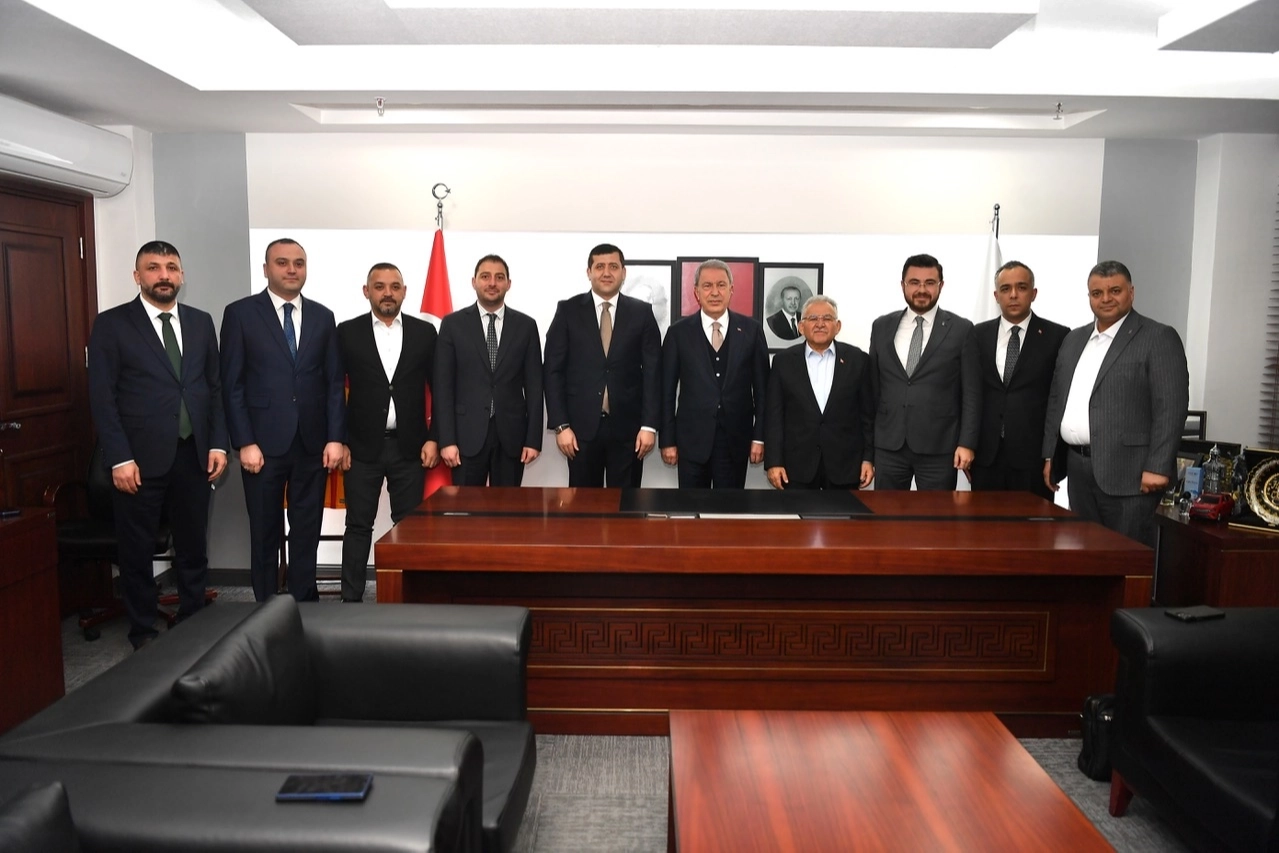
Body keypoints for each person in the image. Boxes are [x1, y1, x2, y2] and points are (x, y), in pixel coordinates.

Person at [87, 241, 228, 649]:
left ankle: (192, 620)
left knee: (193, 546)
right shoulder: (112, 324)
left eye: (171, 267)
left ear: (181, 275)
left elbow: (213, 388)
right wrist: (119, 457)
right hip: (138, 459)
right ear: (137, 276)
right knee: (136, 551)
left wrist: (218, 444)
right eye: (153, 267)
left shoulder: (200, 322)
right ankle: (144, 632)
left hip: (194, 455)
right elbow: (102, 397)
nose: (163, 275)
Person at [220, 238, 345, 602]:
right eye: (282, 262)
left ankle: (304, 599)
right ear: (266, 269)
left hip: (312, 443)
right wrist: (244, 441)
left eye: (299, 263)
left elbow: (333, 382)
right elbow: (232, 384)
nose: (292, 269)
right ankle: (265, 605)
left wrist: (335, 437)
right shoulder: (240, 314)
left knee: (307, 528)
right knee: (264, 530)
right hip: (261, 445)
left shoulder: (323, 316)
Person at [1042, 260, 1189, 546]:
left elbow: (1171, 407)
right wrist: (1050, 455)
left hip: (1130, 475)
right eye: (1097, 293)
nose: (1106, 299)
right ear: (1089, 297)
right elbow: (1057, 399)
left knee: (1126, 556)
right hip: (1078, 470)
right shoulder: (1074, 339)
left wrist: (1158, 466)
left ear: (1131, 293)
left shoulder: (1158, 337)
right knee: (1085, 553)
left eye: (1115, 291)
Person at [336, 262, 439, 602]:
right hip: (361, 448)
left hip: (409, 447)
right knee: (358, 525)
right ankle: (350, 599)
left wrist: (434, 437)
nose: (387, 293)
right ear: (367, 291)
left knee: (408, 526)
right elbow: (334, 390)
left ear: (404, 292)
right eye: (379, 286)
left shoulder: (425, 333)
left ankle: (407, 598)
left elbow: (440, 389)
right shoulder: (347, 332)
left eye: (395, 286)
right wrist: (340, 440)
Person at [543, 243, 661, 486]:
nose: (606, 273)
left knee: (627, 503)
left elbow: (653, 373)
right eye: (599, 267)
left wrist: (649, 426)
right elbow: (552, 371)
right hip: (579, 431)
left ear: (623, 272)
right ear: (589, 272)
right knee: (584, 505)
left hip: (629, 431)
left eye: (613, 267)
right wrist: (561, 426)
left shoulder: (642, 313)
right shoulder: (568, 311)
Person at [868, 253, 980, 490]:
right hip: (889, 445)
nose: (922, 289)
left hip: (939, 446)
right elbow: (874, 389)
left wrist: (967, 442)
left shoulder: (961, 329)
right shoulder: (881, 326)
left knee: (936, 513)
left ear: (941, 285)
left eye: (929, 283)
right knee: (886, 512)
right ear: (903, 285)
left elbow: (971, 393)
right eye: (914, 282)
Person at [434, 254, 543, 487]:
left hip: (511, 437)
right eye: (485, 277)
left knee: (507, 508)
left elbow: (535, 386)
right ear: (474, 282)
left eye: (499, 277)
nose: (492, 283)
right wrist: (447, 440)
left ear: (508, 284)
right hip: (465, 437)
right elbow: (443, 387)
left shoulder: (526, 326)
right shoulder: (453, 324)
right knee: (465, 508)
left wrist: (533, 439)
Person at [659, 259, 768, 488]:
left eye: (721, 285)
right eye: (707, 286)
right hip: (691, 442)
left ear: (731, 289)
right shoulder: (678, 333)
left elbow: (762, 391)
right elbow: (665, 391)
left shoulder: (751, 331)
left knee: (730, 509)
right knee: (691, 507)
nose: (715, 292)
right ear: (696, 292)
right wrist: (667, 440)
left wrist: (759, 436)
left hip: (736, 442)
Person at [971, 261, 1069, 500]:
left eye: (1021, 287)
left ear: (1033, 293)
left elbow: (1059, 401)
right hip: (986, 456)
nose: (1013, 295)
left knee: (1033, 524)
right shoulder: (976, 334)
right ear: (996, 296)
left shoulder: (1058, 336)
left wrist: (1053, 456)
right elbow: (969, 394)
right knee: (983, 522)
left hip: (1033, 459)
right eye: (1005, 289)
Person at [764, 296, 875, 490]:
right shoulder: (783, 362)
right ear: (801, 327)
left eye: (827, 318)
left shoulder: (858, 360)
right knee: (797, 511)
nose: (820, 324)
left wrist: (868, 459)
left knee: (844, 512)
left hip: (846, 465)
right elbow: (774, 416)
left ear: (837, 326)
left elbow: (867, 415)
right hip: (796, 467)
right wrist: (774, 462)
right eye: (813, 318)